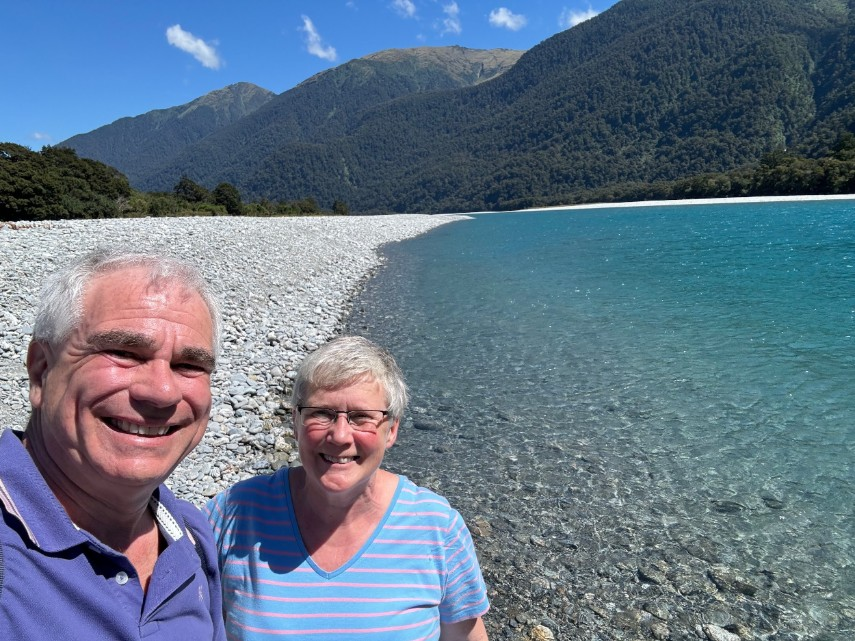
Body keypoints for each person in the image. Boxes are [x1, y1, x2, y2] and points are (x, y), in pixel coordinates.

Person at [0, 248, 227, 640]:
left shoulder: (190, 536)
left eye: (188, 365)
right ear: (41, 371)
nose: (161, 392)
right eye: (123, 353)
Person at [206, 335, 490, 640]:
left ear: (391, 430)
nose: (340, 435)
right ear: (295, 423)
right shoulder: (235, 513)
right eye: (321, 413)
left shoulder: (437, 529)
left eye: (361, 418)